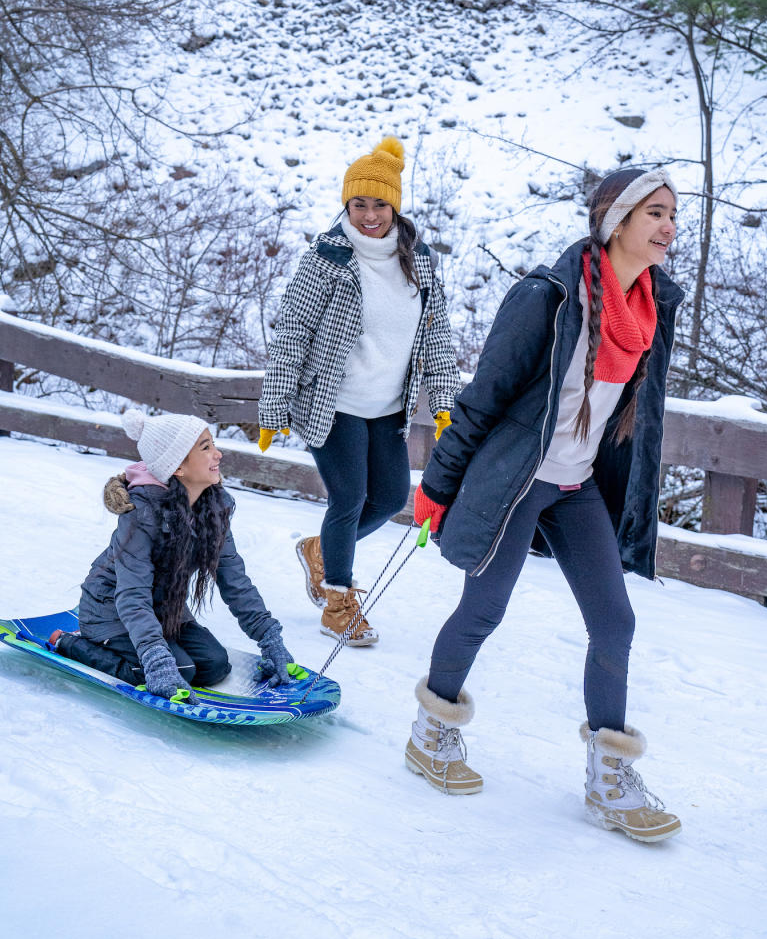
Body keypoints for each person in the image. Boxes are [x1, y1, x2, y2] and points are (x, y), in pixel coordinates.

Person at [407, 167, 684, 844]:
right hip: (518, 482)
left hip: (577, 484)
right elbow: (484, 397)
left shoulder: (651, 308)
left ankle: (608, 779)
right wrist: (438, 486)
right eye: (654, 213)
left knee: (614, 621)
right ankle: (431, 732)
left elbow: (634, 420)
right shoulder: (548, 299)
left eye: (673, 214)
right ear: (614, 221)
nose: (668, 226)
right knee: (484, 609)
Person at [258, 136, 460, 646]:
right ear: (346, 204)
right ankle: (339, 603)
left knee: (391, 496)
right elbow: (293, 332)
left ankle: (321, 554)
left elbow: (435, 335)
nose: (369, 215)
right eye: (358, 204)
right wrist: (274, 404)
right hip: (333, 403)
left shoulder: (421, 262)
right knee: (348, 497)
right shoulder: (326, 259)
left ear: (395, 204)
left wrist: (442, 404)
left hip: (386, 407)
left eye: (379, 204)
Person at [50, 409, 294, 700]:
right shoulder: (141, 514)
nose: (218, 455)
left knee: (215, 666)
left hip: (163, 610)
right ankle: (69, 643)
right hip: (110, 610)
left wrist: (269, 637)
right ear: (177, 467)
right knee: (180, 671)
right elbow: (132, 595)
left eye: (213, 444)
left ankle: (157, 652)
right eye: (206, 448)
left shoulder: (213, 509)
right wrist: (155, 659)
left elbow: (235, 580)